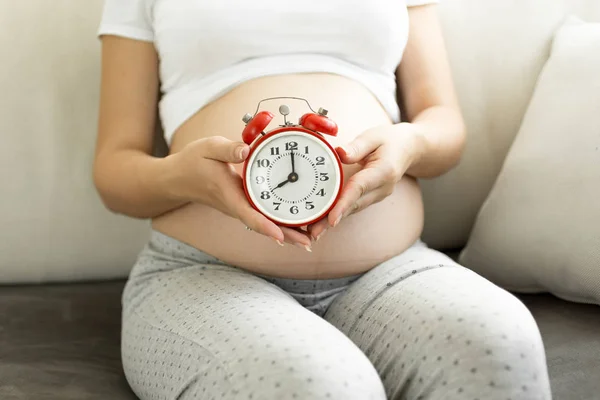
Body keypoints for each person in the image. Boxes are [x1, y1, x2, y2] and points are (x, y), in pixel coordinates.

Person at [93, 1, 552, 399]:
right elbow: (114, 170)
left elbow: (443, 122)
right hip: (206, 276)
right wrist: (182, 176)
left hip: (390, 272)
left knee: (498, 340)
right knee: (315, 385)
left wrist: (409, 144)